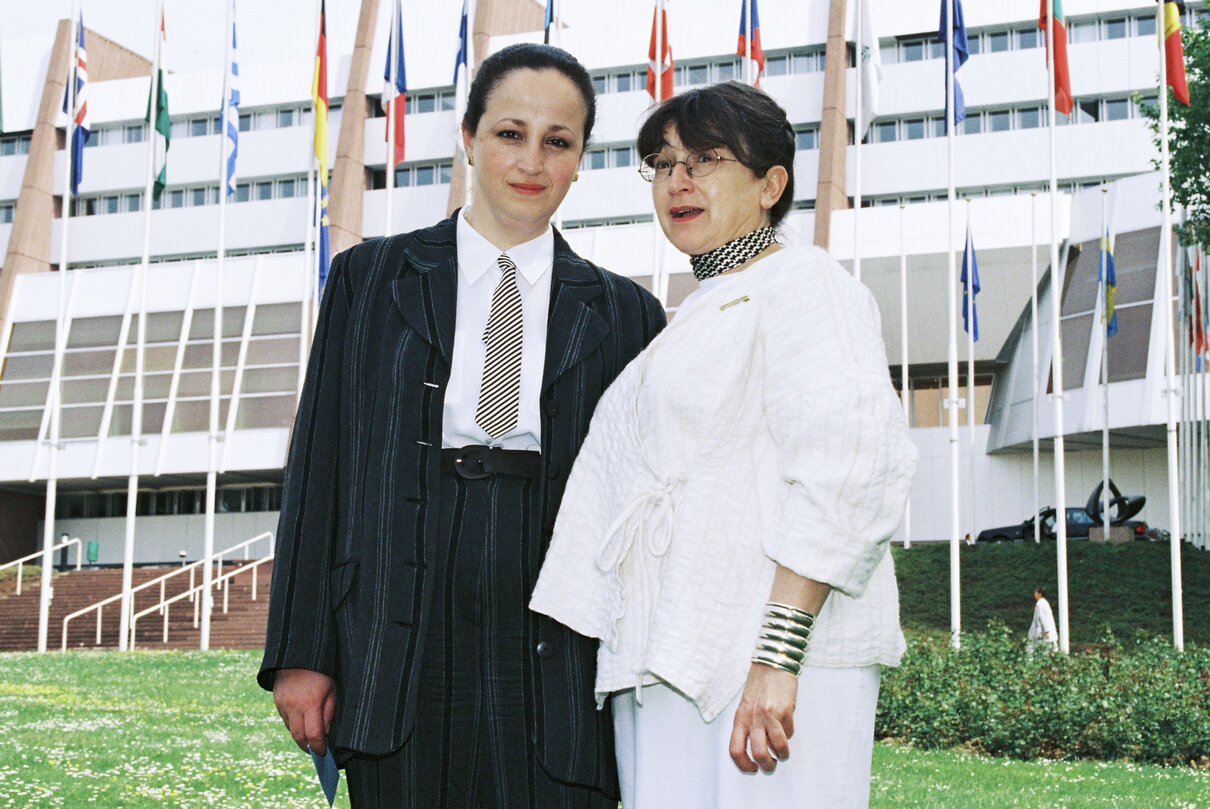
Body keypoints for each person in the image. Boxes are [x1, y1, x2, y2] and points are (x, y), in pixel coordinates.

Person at [258, 43, 666, 809]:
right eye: (511, 132)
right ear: (470, 136)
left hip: (558, 621)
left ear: (580, 160)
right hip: (398, 616)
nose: (531, 160)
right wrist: (300, 652)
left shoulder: (628, 314)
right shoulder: (369, 280)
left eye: (558, 141)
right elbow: (319, 470)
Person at [530, 81, 918, 809]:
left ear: (772, 183)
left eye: (706, 158)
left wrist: (777, 657)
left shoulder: (806, 285)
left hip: (765, 665)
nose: (678, 179)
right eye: (664, 161)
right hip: (670, 661)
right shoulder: (692, 316)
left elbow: (854, 470)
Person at [1028, 585, 1059, 653]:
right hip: (1043, 633)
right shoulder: (1043, 603)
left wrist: (1046, 631)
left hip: (1043, 634)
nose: (1034, 594)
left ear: (1040, 594)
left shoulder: (1041, 604)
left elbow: (1043, 618)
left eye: (1035, 592)